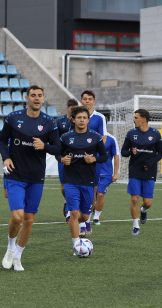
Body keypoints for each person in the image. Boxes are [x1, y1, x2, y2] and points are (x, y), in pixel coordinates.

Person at [0, 85, 61, 271]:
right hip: (15, 174)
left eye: (39, 96)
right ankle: (10, 248)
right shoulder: (13, 118)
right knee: (17, 217)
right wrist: (6, 157)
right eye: (33, 95)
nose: (36, 98)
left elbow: (57, 148)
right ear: (27, 98)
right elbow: (2, 140)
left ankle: (18, 255)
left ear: (43, 99)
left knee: (29, 220)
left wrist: (45, 146)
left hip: (36, 176)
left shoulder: (49, 123)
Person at [57, 106, 107, 249]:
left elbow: (104, 156)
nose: (82, 120)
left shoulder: (95, 137)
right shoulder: (66, 137)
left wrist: (94, 159)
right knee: (74, 213)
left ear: (88, 120)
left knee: (84, 216)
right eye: (79, 117)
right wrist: (62, 159)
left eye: (84, 118)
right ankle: (76, 245)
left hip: (88, 180)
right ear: (73, 120)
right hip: (71, 180)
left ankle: (82, 224)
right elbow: (58, 154)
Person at [120, 109, 162, 236]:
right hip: (135, 170)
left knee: (148, 202)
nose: (134, 120)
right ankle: (135, 226)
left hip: (149, 170)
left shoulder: (156, 134)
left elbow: (161, 153)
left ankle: (143, 210)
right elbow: (123, 151)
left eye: (136, 118)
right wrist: (130, 152)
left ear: (144, 119)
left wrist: (150, 163)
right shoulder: (131, 133)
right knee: (134, 199)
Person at [81, 90, 107, 234]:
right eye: (85, 99)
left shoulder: (100, 118)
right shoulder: (77, 116)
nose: (87, 101)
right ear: (81, 100)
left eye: (90, 99)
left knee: (92, 193)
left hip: (92, 161)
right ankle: (77, 218)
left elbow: (103, 138)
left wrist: (93, 153)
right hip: (77, 160)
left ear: (94, 101)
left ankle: (87, 220)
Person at [56, 98, 78, 222]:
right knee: (64, 187)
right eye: (71, 108)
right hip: (64, 157)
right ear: (67, 108)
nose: (73, 110)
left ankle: (70, 210)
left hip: (76, 158)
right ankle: (67, 201)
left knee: (73, 184)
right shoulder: (60, 121)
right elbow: (55, 138)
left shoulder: (79, 122)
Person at [91, 132, 120, 225]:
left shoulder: (111, 139)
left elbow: (116, 156)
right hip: (92, 171)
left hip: (106, 173)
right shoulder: (90, 135)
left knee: (100, 194)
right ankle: (86, 216)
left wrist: (115, 173)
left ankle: (96, 217)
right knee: (91, 195)